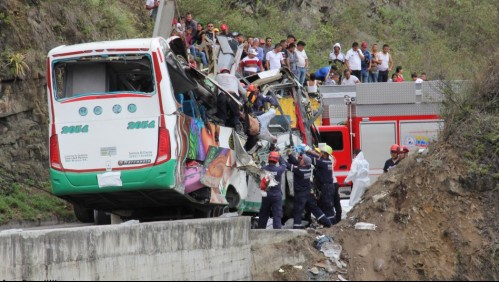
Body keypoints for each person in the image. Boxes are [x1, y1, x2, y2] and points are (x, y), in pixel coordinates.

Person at [287, 154, 332, 229]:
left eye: (301, 160)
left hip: (301, 194)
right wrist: (290, 154)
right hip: (308, 193)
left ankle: (297, 228)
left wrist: (279, 157)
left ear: (303, 163)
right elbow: (296, 163)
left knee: (298, 210)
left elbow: (288, 166)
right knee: (314, 208)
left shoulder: (300, 170)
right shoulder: (308, 167)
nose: (300, 160)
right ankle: (327, 222)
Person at [305, 145, 340, 225]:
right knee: (326, 205)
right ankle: (328, 223)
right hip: (327, 186)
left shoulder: (322, 162)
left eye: (321, 152)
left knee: (327, 206)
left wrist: (305, 151)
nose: (319, 153)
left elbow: (310, 159)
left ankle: (331, 224)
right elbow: (317, 157)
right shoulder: (327, 161)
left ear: (324, 154)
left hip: (326, 187)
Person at [258, 152, 288, 229]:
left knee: (264, 214)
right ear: (276, 160)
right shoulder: (279, 170)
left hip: (266, 195)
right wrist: (280, 156)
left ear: (268, 159)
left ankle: (260, 230)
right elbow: (284, 164)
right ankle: (277, 232)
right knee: (277, 214)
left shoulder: (263, 169)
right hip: (276, 196)